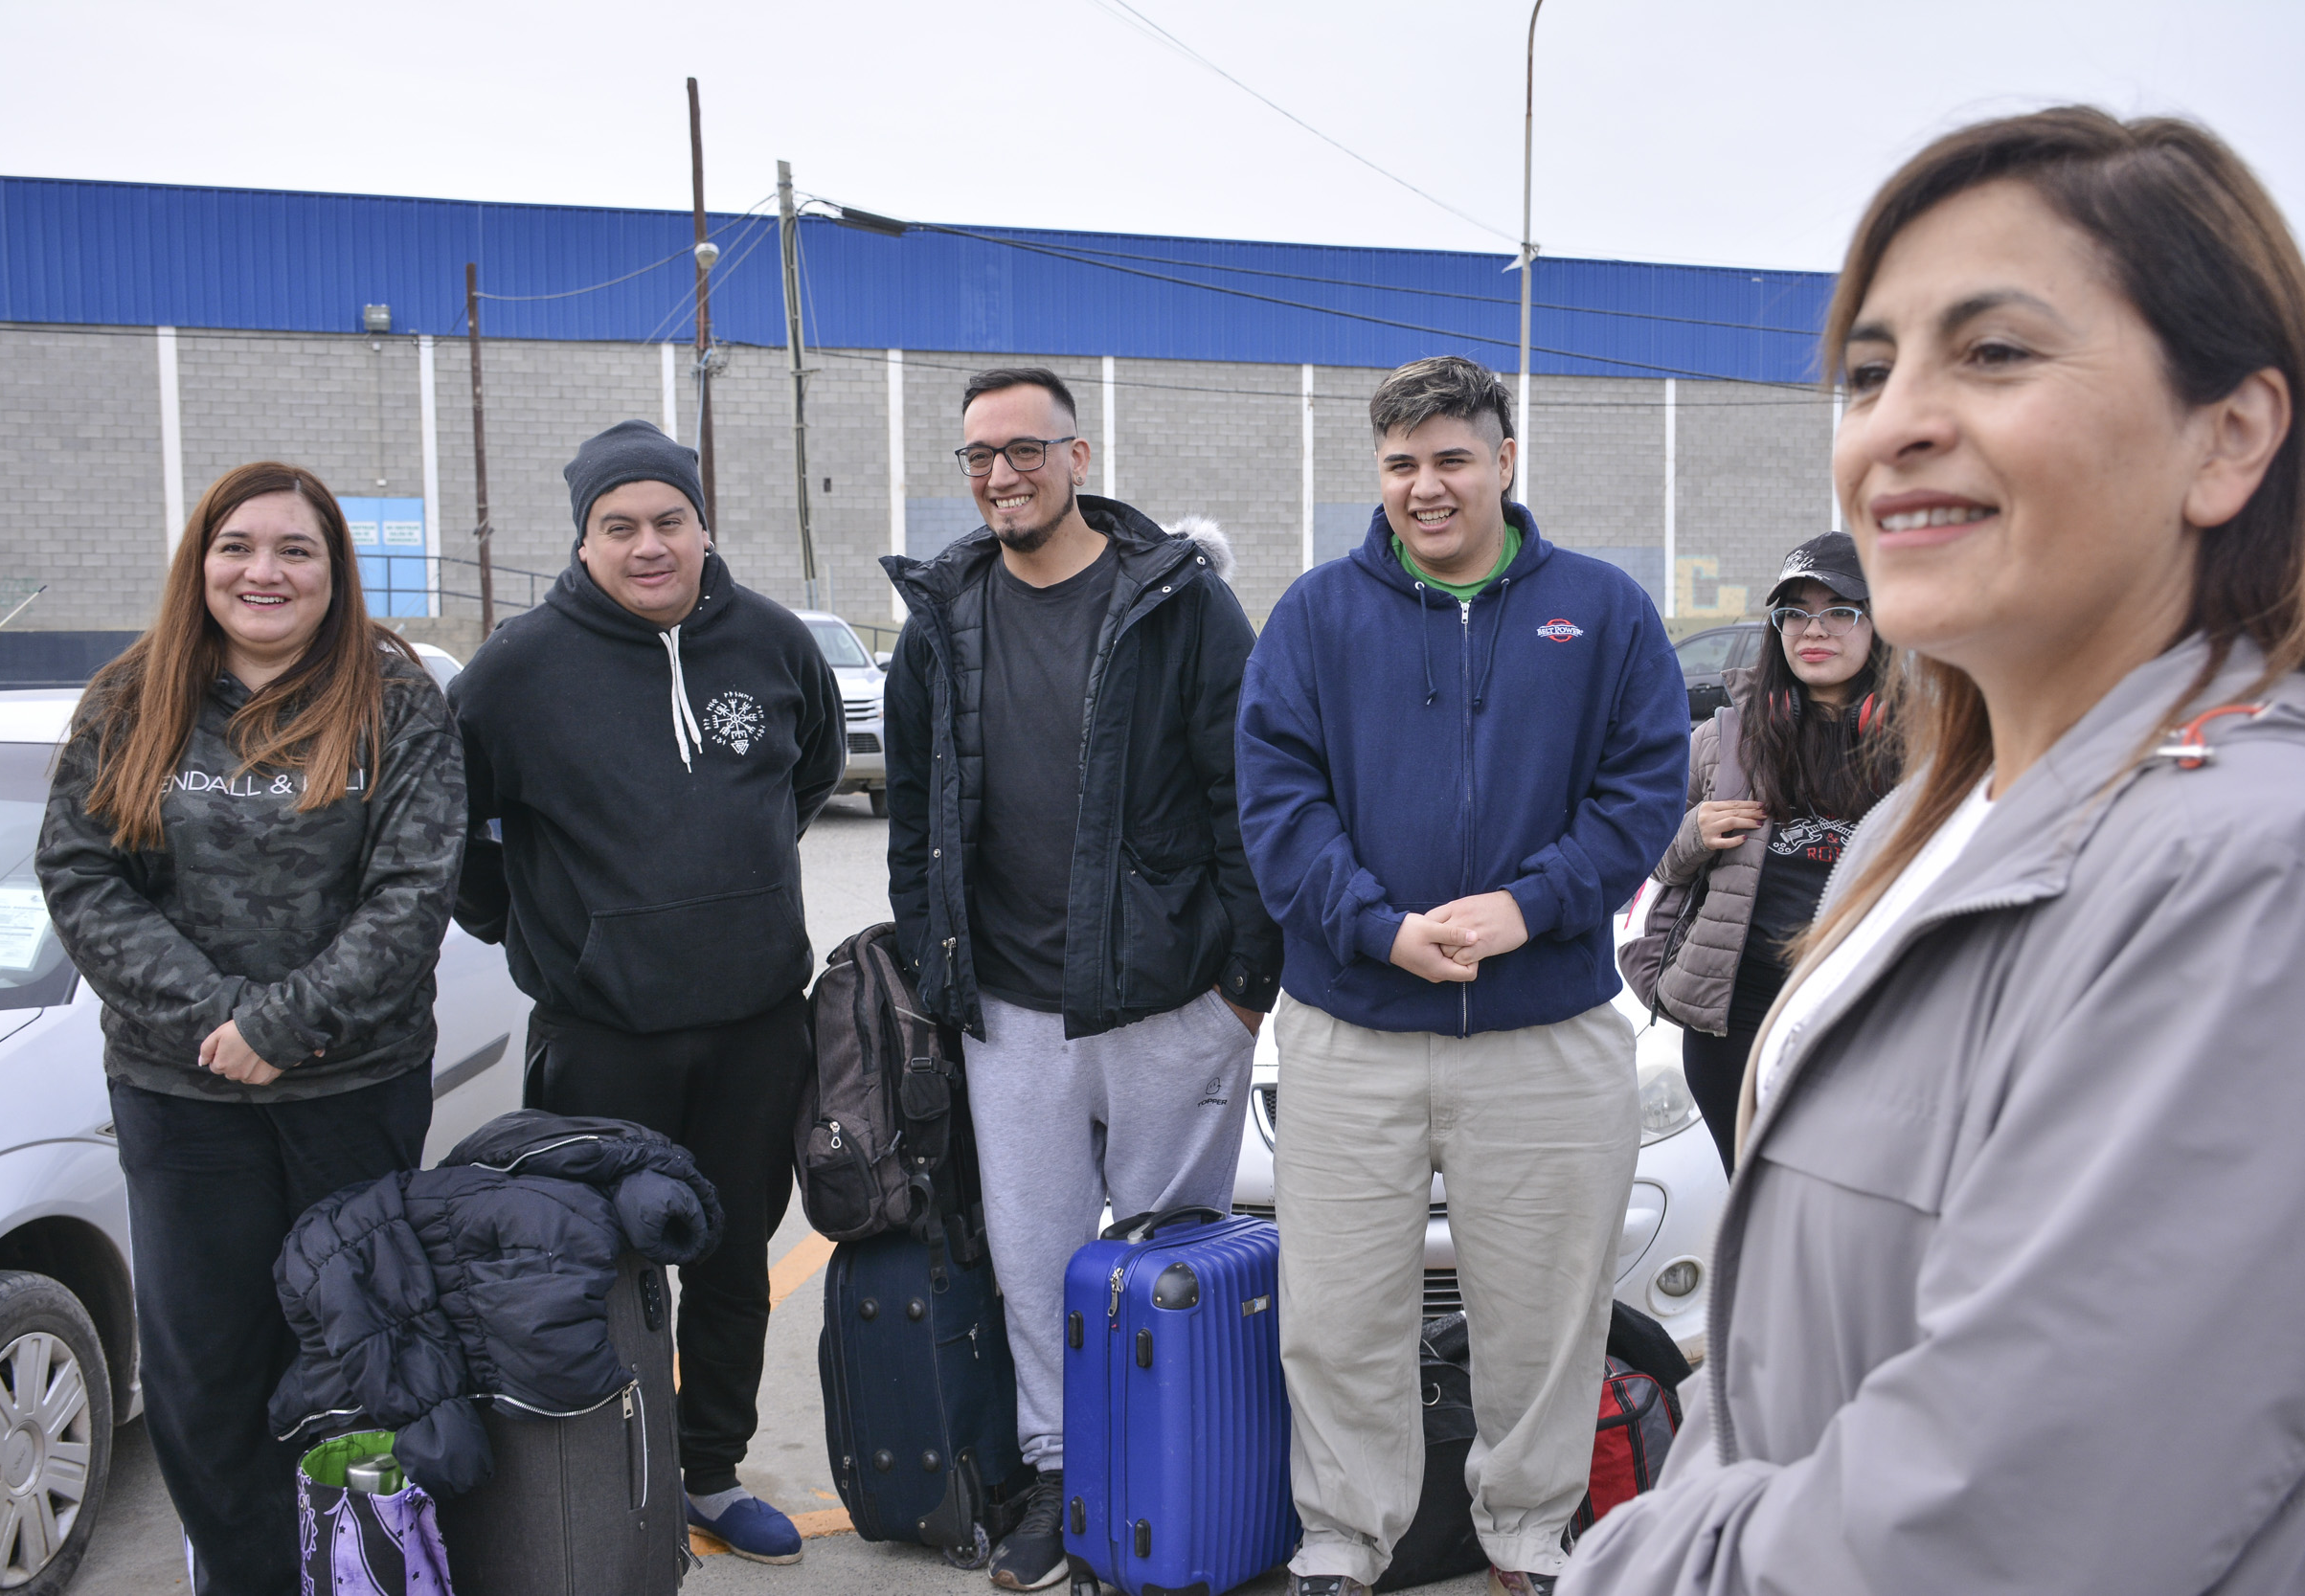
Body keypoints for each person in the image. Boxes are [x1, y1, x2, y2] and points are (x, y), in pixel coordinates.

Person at [1560, 107, 2305, 1595]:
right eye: (1869, 372)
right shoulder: (1933, 814)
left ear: (2233, 435)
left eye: (1994, 352)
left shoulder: (2270, 864)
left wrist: (1641, 1563)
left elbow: (2011, 1516)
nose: (1894, 422)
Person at [1235, 354, 1691, 1596]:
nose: (1425, 486)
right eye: (1400, 464)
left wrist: (1524, 907)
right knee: (1340, 1317)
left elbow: (1645, 790)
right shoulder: (1317, 615)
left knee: (1543, 1316)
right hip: (1351, 1025)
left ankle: (1528, 1538)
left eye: (1450, 458)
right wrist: (1379, 927)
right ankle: (1343, 1539)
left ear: (1503, 460)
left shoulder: (1600, 611)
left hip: (1545, 1029)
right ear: (1376, 474)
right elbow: (1278, 803)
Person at [880, 366, 1281, 1591]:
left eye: (1024, 448)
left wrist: (1244, 983)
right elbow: (911, 808)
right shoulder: (940, 620)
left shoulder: (1181, 605)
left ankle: (1177, 1472)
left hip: (1170, 999)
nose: (1000, 473)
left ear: (1079, 454)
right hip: (1007, 1009)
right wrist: (931, 960)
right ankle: (1062, 1481)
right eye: (977, 456)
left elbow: (1246, 792)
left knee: (1165, 1258)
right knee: (1036, 1260)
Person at [36, 461, 465, 1596]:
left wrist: (286, 1019)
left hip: (352, 1091)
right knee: (206, 1374)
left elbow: (415, 891)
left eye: (295, 549)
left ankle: (355, 1571)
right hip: (185, 1102)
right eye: (238, 546)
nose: (263, 570)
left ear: (336, 571)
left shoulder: (396, 699)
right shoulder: (131, 695)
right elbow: (81, 876)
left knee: (356, 1357)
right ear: (201, 560)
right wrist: (219, 1020)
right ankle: (242, 1576)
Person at [448, 419, 843, 1565]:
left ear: (703, 525)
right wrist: (530, 929)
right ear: (583, 542)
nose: (648, 545)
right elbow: (461, 829)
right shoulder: (517, 669)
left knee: (730, 1259)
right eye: (618, 526)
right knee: (598, 1268)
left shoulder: (771, 641)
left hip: (754, 1023)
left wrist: (740, 894)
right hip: (601, 1032)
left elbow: (808, 774)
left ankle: (708, 1471)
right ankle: (605, 1483)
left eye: (669, 519)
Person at [1640, 530, 1899, 1172]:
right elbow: (1658, 861)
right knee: (1755, 1197)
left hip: (1866, 1016)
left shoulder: (1919, 746)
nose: (1816, 629)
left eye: (1841, 610)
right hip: (1738, 1022)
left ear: (1878, 625)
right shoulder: (1722, 741)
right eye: (1795, 613)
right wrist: (1694, 830)